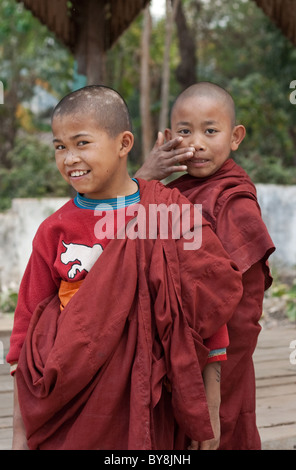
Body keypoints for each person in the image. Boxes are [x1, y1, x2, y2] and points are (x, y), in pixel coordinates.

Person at [7, 85, 243, 451]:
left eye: (82, 143)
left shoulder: (171, 214)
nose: (69, 158)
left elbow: (206, 311)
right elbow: (27, 327)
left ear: (123, 143)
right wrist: (19, 430)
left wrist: (210, 405)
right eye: (59, 146)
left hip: (152, 391)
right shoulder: (54, 229)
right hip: (71, 391)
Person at [135, 81, 275, 450]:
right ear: (167, 137)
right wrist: (145, 176)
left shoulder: (233, 201)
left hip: (216, 361)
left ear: (235, 137)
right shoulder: (170, 192)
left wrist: (210, 387)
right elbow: (119, 235)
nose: (196, 142)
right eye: (184, 131)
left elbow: (242, 311)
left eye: (210, 131)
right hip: (171, 350)